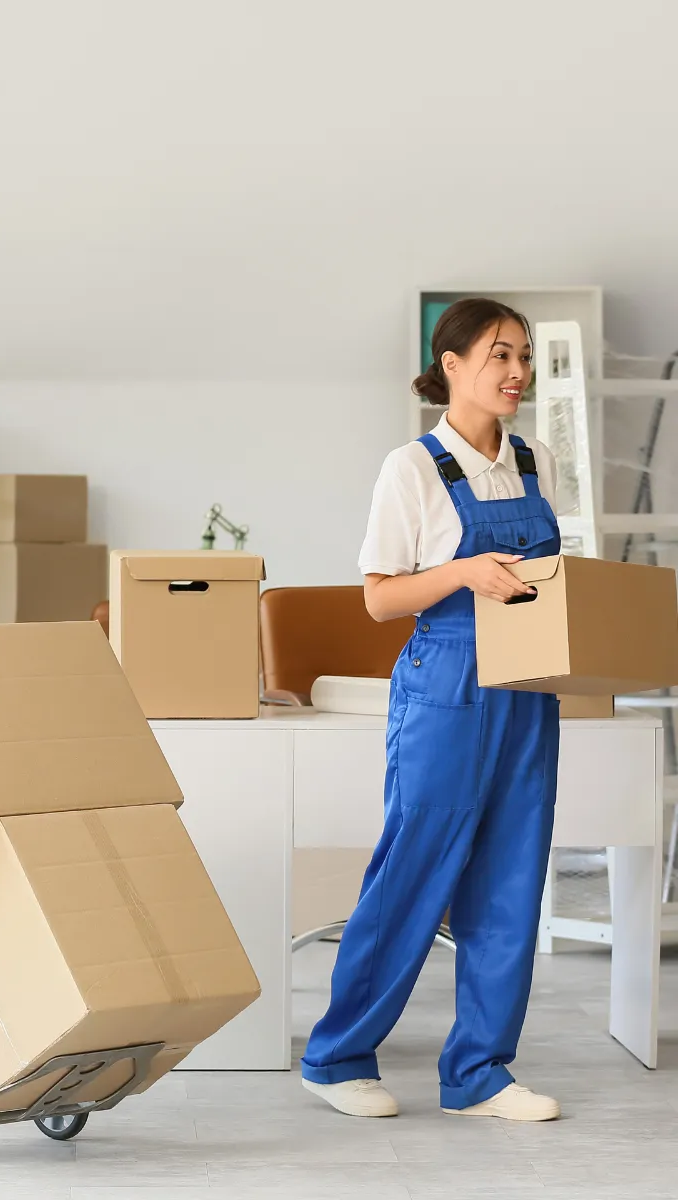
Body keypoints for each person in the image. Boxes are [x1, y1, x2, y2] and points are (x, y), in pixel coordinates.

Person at [300, 297, 563, 1123]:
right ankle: (337, 1058)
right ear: (451, 364)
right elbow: (380, 598)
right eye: (500, 355)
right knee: (414, 871)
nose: (517, 372)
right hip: (446, 683)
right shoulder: (412, 468)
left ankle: (479, 1072)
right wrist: (462, 572)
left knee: (512, 876)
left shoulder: (536, 460)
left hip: (526, 686)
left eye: (524, 356)